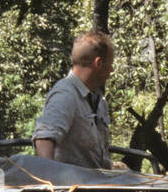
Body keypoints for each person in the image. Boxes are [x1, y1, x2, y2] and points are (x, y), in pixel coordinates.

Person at [33, 31, 115, 169]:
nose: (111, 70)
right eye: (110, 64)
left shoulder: (98, 100)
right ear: (98, 63)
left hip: (97, 183)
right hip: (75, 186)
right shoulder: (65, 94)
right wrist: (50, 180)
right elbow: (44, 138)